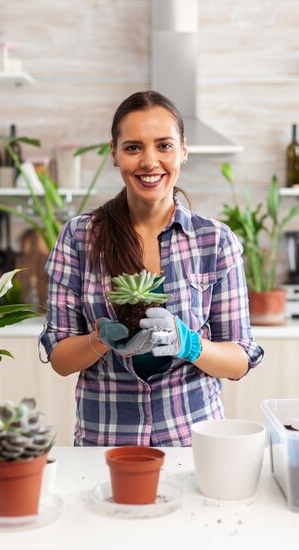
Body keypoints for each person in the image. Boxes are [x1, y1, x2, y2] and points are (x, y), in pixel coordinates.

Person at [38, 90, 264, 446]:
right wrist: (99, 340)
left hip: (193, 443)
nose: (149, 161)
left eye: (163, 146)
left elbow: (239, 360)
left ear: (183, 150)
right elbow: (61, 360)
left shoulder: (215, 241)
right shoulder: (80, 237)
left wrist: (189, 344)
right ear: (114, 153)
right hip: (106, 444)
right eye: (133, 148)